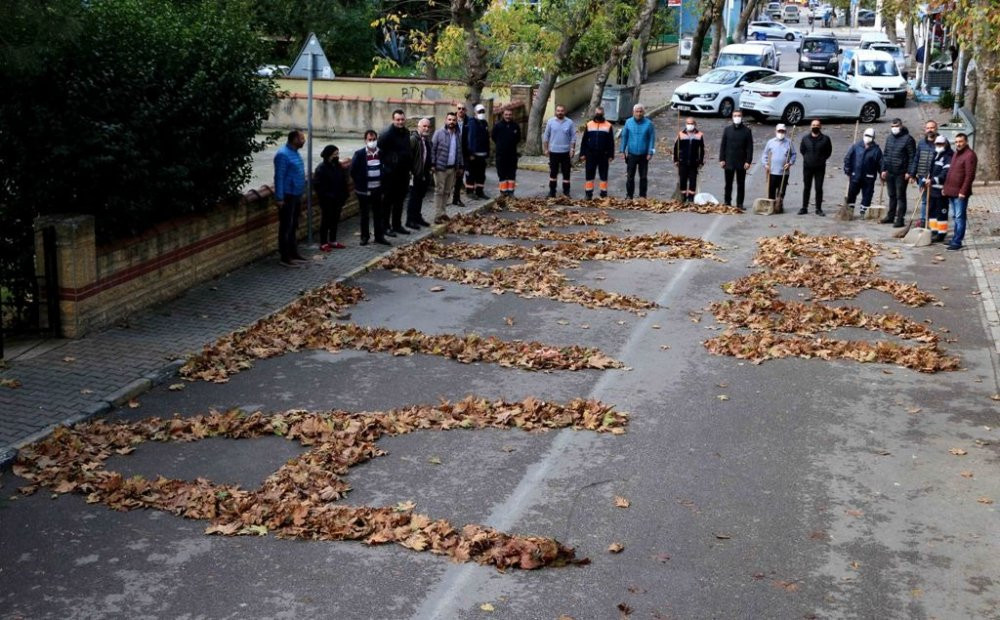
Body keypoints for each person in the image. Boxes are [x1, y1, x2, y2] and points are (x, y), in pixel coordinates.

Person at [273, 130, 307, 267]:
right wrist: (279, 197)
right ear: (294, 139)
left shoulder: (295, 153)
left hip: (296, 194)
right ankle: (285, 256)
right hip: (287, 195)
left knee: (294, 225)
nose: (304, 141)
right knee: (286, 227)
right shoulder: (282, 155)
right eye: (302, 138)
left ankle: (293, 252)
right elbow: (279, 177)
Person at [377, 109, 413, 237]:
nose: (400, 122)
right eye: (398, 120)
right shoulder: (386, 135)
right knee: (387, 202)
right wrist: (386, 169)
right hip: (390, 174)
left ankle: (397, 225)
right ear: (393, 120)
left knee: (400, 200)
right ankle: (385, 227)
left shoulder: (406, 132)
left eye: (402, 119)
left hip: (403, 173)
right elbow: (378, 153)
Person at [350, 129, 389, 246]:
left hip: (378, 189)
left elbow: (385, 168)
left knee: (378, 214)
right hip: (364, 191)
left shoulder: (381, 153)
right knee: (364, 215)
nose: (372, 142)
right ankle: (364, 237)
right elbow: (353, 171)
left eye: (374, 139)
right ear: (365, 141)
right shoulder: (360, 154)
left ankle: (379, 237)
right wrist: (360, 183)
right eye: (370, 140)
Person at [941, 132, 977, 250]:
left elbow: (969, 176)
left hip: (960, 193)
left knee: (960, 217)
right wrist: (945, 188)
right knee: (955, 217)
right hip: (951, 191)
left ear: (966, 142)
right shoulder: (956, 153)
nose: (958, 144)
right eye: (956, 142)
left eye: (960, 141)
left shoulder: (969, 155)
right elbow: (950, 172)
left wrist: (963, 191)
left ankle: (957, 242)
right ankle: (955, 238)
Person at [880, 118, 916, 227]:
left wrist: (909, 172)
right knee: (891, 195)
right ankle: (891, 216)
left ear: (901, 126)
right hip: (890, 171)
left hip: (901, 173)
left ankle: (900, 219)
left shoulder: (908, 139)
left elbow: (912, 157)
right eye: (892, 126)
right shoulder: (889, 138)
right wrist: (883, 169)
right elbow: (885, 154)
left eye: (896, 126)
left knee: (900, 196)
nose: (894, 128)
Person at [431, 111, 464, 224]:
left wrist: (460, 166)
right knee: (439, 191)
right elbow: (433, 149)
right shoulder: (439, 133)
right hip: (440, 168)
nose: (451, 122)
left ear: (456, 121)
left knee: (447, 191)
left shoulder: (458, 135)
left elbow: (459, 151)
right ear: (446, 120)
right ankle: (437, 215)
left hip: (452, 168)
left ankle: (443, 212)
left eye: (454, 120)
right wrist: (433, 164)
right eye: (449, 120)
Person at [313, 145, 348, 251]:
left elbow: (343, 181)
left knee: (335, 220)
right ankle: (323, 242)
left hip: (338, 199)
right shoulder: (321, 169)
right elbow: (319, 187)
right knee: (326, 221)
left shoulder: (338, 167)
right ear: (329, 155)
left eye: (338, 154)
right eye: (335, 154)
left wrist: (344, 195)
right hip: (327, 200)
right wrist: (328, 197)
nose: (337, 156)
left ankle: (333, 240)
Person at [843, 127, 883, 217]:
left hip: (869, 177)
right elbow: (847, 158)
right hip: (855, 176)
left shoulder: (876, 150)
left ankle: (863, 213)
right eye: (866, 135)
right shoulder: (856, 146)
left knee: (867, 195)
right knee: (852, 194)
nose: (867, 137)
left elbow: (881, 163)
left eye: (870, 136)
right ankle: (849, 212)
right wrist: (847, 170)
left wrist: (882, 173)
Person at [719, 110, 753, 210]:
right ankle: (727, 201)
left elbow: (749, 148)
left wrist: (748, 161)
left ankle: (739, 204)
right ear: (732, 117)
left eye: (739, 115)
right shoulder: (727, 130)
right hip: (729, 161)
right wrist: (722, 159)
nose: (737, 117)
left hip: (741, 162)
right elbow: (723, 145)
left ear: (742, 117)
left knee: (741, 184)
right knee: (728, 184)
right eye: (735, 115)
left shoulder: (747, 131)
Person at [620, 103, 656, 200]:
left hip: (644, 155)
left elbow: (652, 139)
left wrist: (651, 152)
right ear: (633, 112)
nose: (639, 114)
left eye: (641, 111)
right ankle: (629, 195)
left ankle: (642, 195)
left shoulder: (649, 124)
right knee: (630, 176)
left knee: (643, 177)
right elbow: (624, 137)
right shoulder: (628, 122)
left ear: (643, 112)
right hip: (632, 154)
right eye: (637, 111)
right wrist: (622, 151)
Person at [580, 106, 615, 200]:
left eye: (600, 113)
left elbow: (611, 141)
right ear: (594, 113)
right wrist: (582, 153)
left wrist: (611, 154)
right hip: (591, 154)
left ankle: (603, 194)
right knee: (589, 174)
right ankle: (588, 193)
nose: (598, 115)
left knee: (603, 174)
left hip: (603, 154)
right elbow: (584, 140)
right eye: (597, 113)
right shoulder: (589, 124)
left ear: (603, 114)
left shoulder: (608, 125)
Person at [798, 119, 832, 215]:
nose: (815, 126)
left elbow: (828, 151)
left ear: (820, 127)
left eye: (817, 125)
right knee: (806, 187)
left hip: (820, 168)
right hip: (807, 167)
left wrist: (822, 159)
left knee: (819, 188)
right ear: (810, 126)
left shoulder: (825, 139)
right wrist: (807, 158)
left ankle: (818, 208)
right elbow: (802, 150)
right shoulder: (805, 139)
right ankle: (804, 207)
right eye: (813, 125)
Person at [405, 117, 434, 230]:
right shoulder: (413, 139)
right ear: (419, 127)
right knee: (413, 198)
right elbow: (408, 158)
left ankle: (417, 217)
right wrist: (411, 173)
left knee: (420, 197)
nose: (427, 128)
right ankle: (410, 220)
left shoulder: (426, 140)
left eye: (428, 127)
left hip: (424, 174)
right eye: (424, 126)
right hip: (415, 174)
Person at [909, 120, 939, 224]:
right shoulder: (921, 143)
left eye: (932, 128)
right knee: (924, 200)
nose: (930, 130)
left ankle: (932, 221)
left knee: (934, 201)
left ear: (936, 129)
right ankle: (923, 220)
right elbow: (916, 159)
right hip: (922, 176)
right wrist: (912, 174)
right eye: (928, 128)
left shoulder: (941, 142)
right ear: (925, 130)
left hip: (935, 178)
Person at [543, 104, 576, 198]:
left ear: (564, 112)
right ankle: (552, 192)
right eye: (558, 110)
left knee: (566, 174)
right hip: (553, 152)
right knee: (553, 173)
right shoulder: (550, 122)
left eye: (562, 111)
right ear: (555, 112)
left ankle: (566, 193)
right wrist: (545, 149)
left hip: (565, 153)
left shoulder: (570, 122)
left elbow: (573, 137)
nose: (560, 112)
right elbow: (546, 136)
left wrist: (572, 149)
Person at [925, 135, 952, 243]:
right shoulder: (936, 154)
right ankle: (934, 231)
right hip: (932, 189)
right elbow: (931, 170)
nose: (938, 146)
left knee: (941, 212)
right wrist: (926, 179)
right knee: (932, 211)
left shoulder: (948, 156)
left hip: (942, 190)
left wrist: (933, 180)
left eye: (941, 144)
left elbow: (945, 174)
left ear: (945, 144)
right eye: (937, 144)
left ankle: (941, 233)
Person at [761, 123, 797, 203]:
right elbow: (765, 154)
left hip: (784, 172)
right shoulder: (770, 142)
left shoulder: (789, 142)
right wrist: (765, 164)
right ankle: (771, 205)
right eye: (779, 131)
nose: (781, 133)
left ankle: (779, 205)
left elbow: (793, 154)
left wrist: (790, 163)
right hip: (772, 171)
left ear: (785, 132)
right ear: (775, 131)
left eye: (782, 131)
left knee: (781, 191)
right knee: (771, 191)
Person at [672, 117, 704, 202]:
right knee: (683, 180)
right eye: (688, 123)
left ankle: (691, 198)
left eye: (692, 123)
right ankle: (683, 197)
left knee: (693, 181)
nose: (690, 125)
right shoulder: (681, 134)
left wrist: (701, 161)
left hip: (694, 163)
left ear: (695, 124)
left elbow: (702, 150)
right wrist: (675, 160)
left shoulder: (699, 135)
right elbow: (675, 148)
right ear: (686, 124)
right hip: (683, 162)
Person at [492, 107, 521, 197]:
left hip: (512, 155)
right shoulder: (498, 126)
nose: (508, 116)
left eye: (510, 115)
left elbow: (518, 138)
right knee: (502, 174)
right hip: (501, 155)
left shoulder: (515, 126)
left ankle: (511, 192)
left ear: (512, 115)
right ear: (503, 115)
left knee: (512, 174)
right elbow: (493, 137)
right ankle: (503, 193)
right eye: (506, 114)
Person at [465, 103, 491, 199]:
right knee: (471, 174)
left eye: (483, 111)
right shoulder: (472, 123)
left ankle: (479, 191)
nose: (482, 113)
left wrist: (488, 152)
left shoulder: (484, 123)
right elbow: (470, 139)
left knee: (481, 175)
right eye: (480, 111)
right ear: (475, 112)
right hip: (473, 155)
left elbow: (487, 139)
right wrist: (470, 153)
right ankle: (470, 192)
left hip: (482, 155)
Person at [453, 103, 470, 206]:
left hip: (463, 153)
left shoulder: (469, 121)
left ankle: (456, 198)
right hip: (452, 152)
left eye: (463, 109)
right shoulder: (451, 120)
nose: (461, 110)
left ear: (466, 110)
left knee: (459, 177)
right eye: (459, 108)